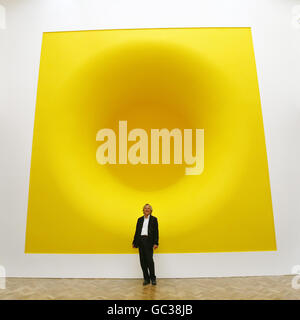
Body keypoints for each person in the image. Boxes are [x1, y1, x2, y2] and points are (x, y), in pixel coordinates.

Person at [132, 204, 159, 285]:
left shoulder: (154, 219)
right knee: (142, 261)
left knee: (149, 261)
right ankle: (146, 279)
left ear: (151, 210)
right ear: (143, 210)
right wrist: (134, 242)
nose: (147, 210)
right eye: (145, 208)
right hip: (140, 241)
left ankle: (153, 278)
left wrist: (156, 242)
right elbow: (137, 231)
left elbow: (156, 232)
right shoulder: (139, 219)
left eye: (148, 208)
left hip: (149, 241)